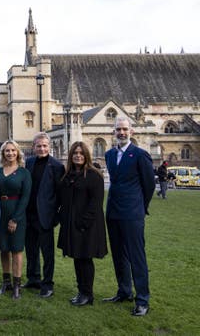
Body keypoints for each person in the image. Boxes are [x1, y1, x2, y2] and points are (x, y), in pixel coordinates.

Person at [103, 116, 155, 316]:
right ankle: (124, 291)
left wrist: (141, 207)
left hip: (132, 213)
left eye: (125, 129)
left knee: (136, 257)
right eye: (118, 129)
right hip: (113, 211)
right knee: (118, 255)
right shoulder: (109, 155)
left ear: (131, 131)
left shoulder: (140, 155)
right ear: (114, 132)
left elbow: (149, 185)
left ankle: (142, 299)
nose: (121, 132)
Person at [57, 142, 107, 306]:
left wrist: (83, 223)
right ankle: (81, 291)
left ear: (86, 155)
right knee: (77, 259)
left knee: (85, 259)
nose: (78, 155)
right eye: (75, 153)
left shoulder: (94, 175)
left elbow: (95, 203)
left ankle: (88, 294)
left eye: (81, 153)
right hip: (72, 224)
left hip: (87, 226)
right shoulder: (68, 175)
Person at [24, 132, 65, 298]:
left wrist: (55, 217)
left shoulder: (56, 166)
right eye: (38, 146)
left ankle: (47, 284)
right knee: (31, 250)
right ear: (34, 147)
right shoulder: (29, 163)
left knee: (47, 253)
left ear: (49, 147)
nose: (42, 149)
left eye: (44, 146)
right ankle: (33, 278)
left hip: (45, 216)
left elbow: (61, 195)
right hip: (29, 215)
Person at [0, 140, 31, 300]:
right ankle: (6, 282)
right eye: (7, 151)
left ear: (18, 153)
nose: (10, 153)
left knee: (16, 250)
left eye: (13, 151)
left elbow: (25, 197)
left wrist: (15, 218)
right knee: (3, 249)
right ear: (3, 153)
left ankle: (17, 285)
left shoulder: (23, 173)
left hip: (17, 213)